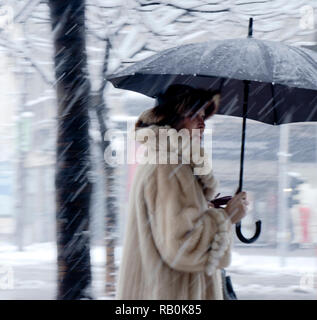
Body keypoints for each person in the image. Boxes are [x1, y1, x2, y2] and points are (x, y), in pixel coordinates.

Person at [116, 84, 249, 300]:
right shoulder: (168, 167)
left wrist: (207, 209)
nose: (202, 124)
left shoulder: (172, 163)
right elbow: (181, 246)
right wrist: (225, 218)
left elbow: (171, 226)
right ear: (174, 118)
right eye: (195, 115)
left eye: (204, 116)